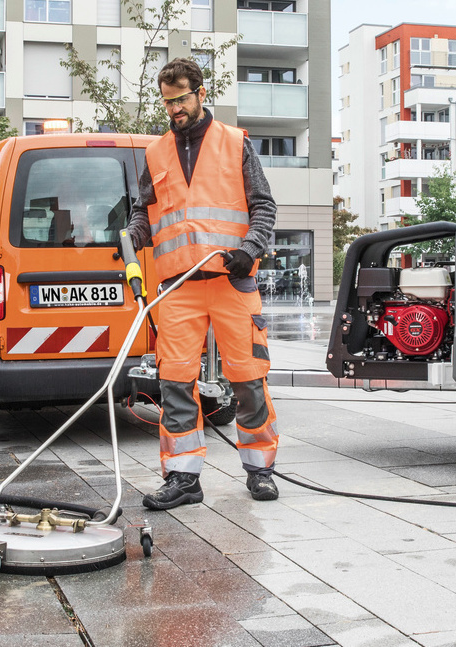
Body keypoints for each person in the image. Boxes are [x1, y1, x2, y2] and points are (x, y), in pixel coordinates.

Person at [126, 58, 280, 510]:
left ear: (200, 93)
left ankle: (261, 469)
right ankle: (183, 478)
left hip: (231, 280)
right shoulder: (155, 154)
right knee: (175, 381)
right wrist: (132, 236)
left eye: (179, 99)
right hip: (177, 286)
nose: (173, 109)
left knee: (249, 377)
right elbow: (144, 212)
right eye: (167, 102)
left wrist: (249, 250)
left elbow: (264, 206)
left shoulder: (235, 144)